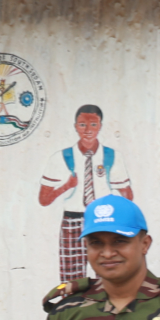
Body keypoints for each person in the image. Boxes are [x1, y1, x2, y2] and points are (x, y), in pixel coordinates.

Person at [39, 104, 133, 283]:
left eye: (93, 124)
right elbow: (43, 199)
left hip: (103, 220)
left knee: (108, 276)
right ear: (75, 126)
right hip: (72, 221)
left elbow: (128, 195)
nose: (88, 130)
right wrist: (66, 186)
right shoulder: (61, 157)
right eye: (82, 124)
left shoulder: (112, 157)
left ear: (100, 126)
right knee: (72, 279)